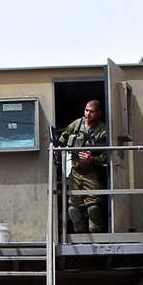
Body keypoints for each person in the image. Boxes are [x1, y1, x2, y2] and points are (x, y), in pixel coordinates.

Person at [58, 100, 108, 233]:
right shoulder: (76, 124)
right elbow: (63, 138)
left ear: (98, 113)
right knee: (73, 209)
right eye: (86, 110)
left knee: (93, 208)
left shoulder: (102, 131)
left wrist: (92, 159)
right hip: (75, 171)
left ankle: (95, 235)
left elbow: (106, 156)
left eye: (92, 111)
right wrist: (59, 146)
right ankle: (80, 234)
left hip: (91, 172)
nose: (88, 114)